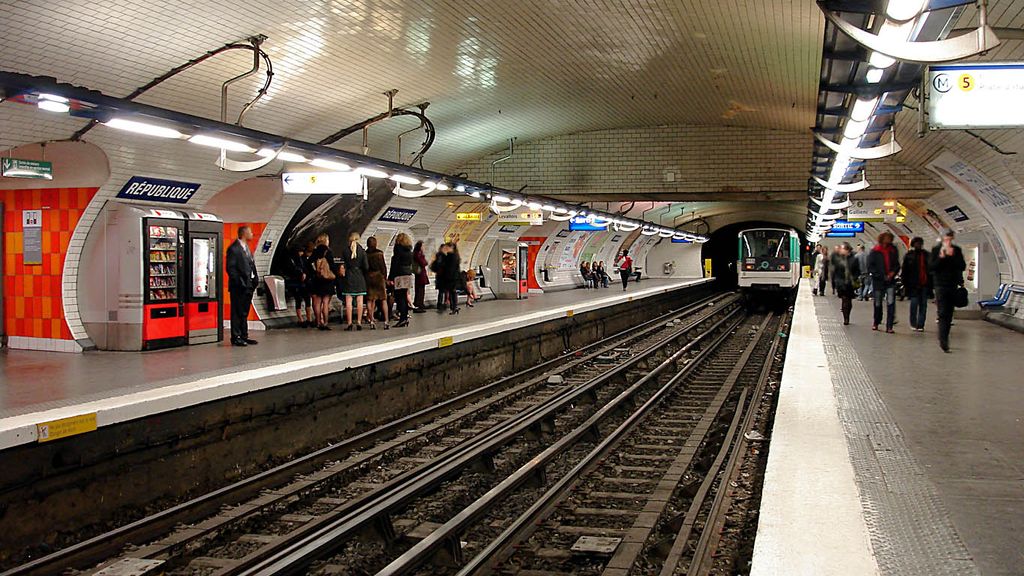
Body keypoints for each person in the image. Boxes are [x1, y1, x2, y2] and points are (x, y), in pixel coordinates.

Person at [930, 229, 967, 353]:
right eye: (947, 237)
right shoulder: (936, 250)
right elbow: (932, 267)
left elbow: (962, 266)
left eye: (951, 237)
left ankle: (944, 336)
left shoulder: (956, 250)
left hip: (952, 285)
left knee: (949, 313)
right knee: (943, 312)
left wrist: (952, 257)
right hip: (940, 285)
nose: (949, 240)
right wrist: (941, 257)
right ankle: (943, 340)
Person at [226, 226, 259, 346]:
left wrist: (255, 280)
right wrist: (240, 282)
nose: (252, 233)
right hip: (239, 286)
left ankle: (244, 335)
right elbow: (231, 268)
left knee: (244, 311)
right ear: (244, 233)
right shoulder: (234, 249)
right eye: (250, 231)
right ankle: (236, 336)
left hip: (249, 285)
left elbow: (251, 265)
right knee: (237, 311)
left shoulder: (247, 248)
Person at [867, 231, 900, 333]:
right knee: (878, 303)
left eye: (889, 238)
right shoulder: (875, 251)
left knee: (891, 303)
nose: (888, 240)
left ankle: (889, 326)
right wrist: (879, 275)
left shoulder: (893, 250)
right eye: (886, 238)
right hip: (878, 281)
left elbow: (897, 264)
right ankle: (876, 322)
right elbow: (870, 266)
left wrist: (892, 273)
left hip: (890, 281)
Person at [901, 237, 932, 332]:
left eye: (919, 243)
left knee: (923, 305)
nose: (918, 245)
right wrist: (905, 283)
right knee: (914, 304)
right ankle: (913, 322)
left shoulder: (927, 255)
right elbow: (905, 270)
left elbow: (931, 270)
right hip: (913, 284)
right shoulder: (909, 256)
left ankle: (921, 324)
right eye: (916, 243)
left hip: (925, 283)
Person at [340, 232, 370, 331]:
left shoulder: (345, 251)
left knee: (348, 301)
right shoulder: (362, 251)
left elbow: (343, 264)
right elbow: (366, 267)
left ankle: (349, 323)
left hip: (349, 277)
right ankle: (359, 322)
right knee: (360, 301)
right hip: (359, 277)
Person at [308, 233, 336, 330]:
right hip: (327, 280)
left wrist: (314, 273)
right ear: (326, 241)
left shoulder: (315, 252)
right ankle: (326, 322)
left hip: (317, 280)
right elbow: (332, 265)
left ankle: (318, 322)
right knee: (326, 302)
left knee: (317, 302)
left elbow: (308, 263)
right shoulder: (328, 252)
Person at [830, 242, 860, 325]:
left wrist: (854, 278)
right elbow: (835, 271)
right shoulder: (839, 259)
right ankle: (845, 318)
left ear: (847, 250)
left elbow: (857, 271)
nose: (841, 250)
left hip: (850, 283)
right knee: (844, 299)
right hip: (841, 283)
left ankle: (847, 315)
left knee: (848, 300)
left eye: (842, 249)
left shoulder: (854, 259)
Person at [389, 233, 414, 327]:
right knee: (404, 296)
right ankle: (405, 317)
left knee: (400, 297)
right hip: (408, 275)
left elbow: (395, 264)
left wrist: (391, 277)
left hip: (399, 275)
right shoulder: (409, 251)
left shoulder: (398, 249)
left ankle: (403, 319)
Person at [284, 244, 312, 327]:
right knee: (300, 299)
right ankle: (303, 319)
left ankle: (306, 319)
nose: (301, 253)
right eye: (300, 251)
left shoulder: (296, 260)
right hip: (295, 282)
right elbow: (293, 270)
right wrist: (302, 275)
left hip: (299, 282)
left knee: (303, 299)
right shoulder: (293, 260)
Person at [365, 236, 389, 330]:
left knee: (370, 300)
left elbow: (364, 267)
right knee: (383, 299)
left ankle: (371, 321)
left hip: (369, 278)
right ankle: (386, 321)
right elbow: (383, 267)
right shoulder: (379, 253)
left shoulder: (365, 254)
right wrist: (385, 277)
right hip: (379, 277)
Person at [412, 241, 429, 313]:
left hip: (419, 274)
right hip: (420, 274)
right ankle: (419, 305)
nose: (423, 248)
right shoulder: (418, 254)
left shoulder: (416, 254)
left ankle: (418, 304)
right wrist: (424, 259)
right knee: (420, 290)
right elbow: (423, 263)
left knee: (420, 290)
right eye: (422, 246)